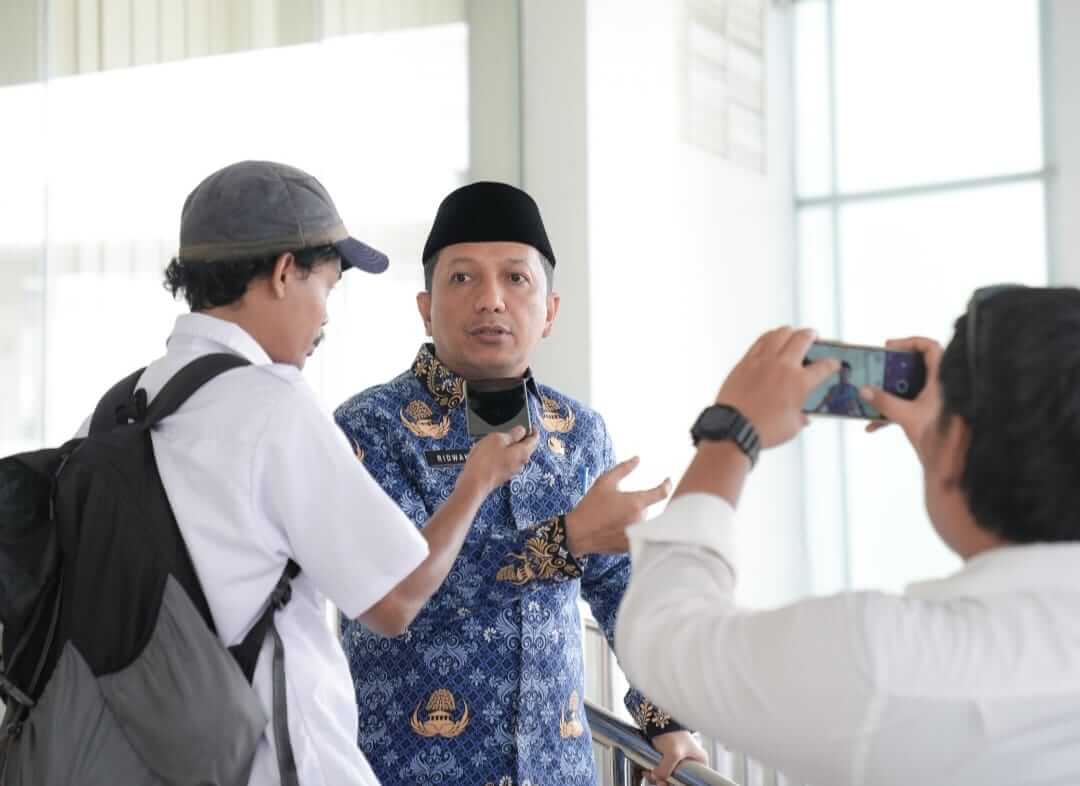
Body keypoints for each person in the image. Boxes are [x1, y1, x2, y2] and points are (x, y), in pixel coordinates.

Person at [111, 161, 537, 785]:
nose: (325, 319)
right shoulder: (274, 406)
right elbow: (395, 601)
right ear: (285, 273)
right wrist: (476, 482)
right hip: (273, 764)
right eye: (327, 288)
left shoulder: (124, 405)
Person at [616, 286, 1080, 786]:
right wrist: (950, 454)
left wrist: (731, 432)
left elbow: (665, 636)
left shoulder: (886, 663)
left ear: (958, 443)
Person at [335, 182, 707, 786]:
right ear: (425, 307)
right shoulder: (369, 428)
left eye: (516, 278)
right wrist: (563, 541)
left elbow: (620, 589)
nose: (491, 300)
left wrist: (666, 722)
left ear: (550, 311)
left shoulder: (578, 432)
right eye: (463, 278)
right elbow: (395, 596)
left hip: (557, 772)